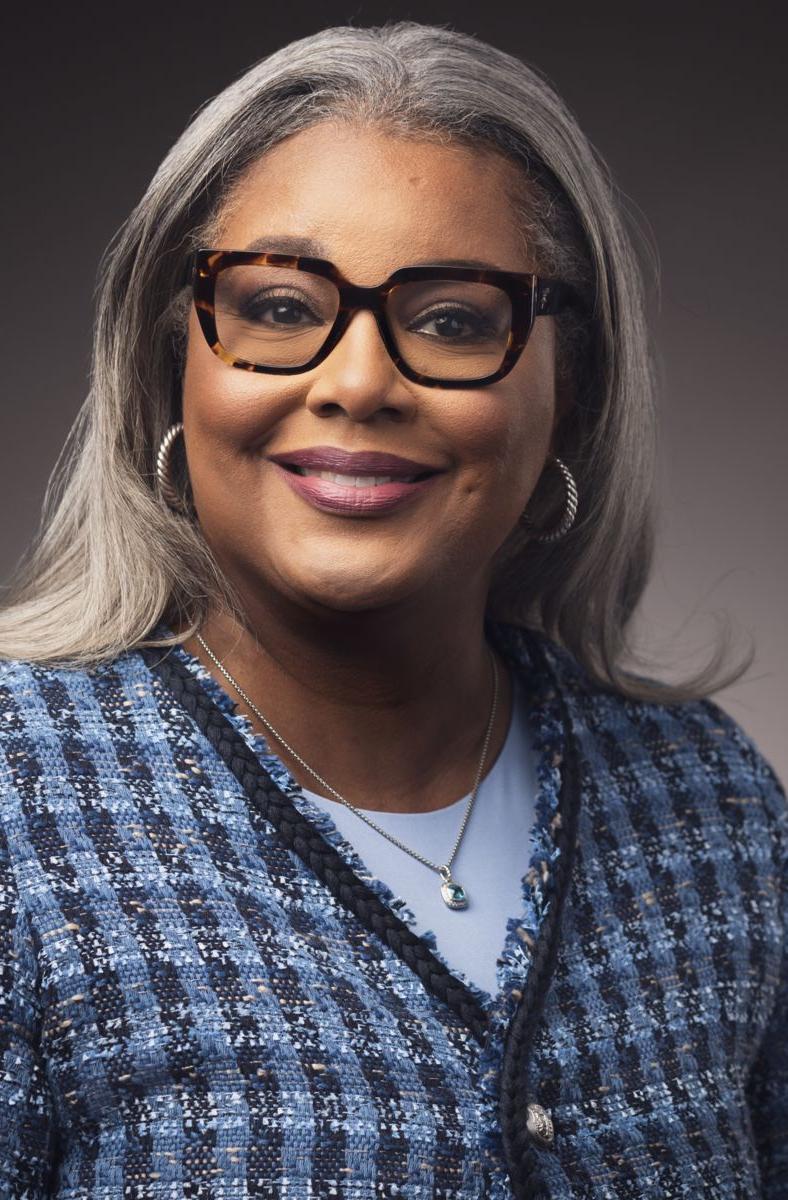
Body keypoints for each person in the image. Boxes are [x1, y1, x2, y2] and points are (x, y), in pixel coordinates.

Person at [0, 20, 784, 1200]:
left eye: (454, 320)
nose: (357, 381)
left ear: (570, 395)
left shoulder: (707, 804)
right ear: (174, 366)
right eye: (274, 306)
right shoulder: (19, 797)